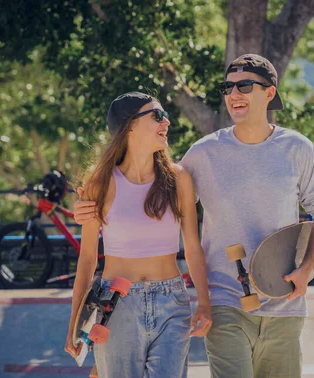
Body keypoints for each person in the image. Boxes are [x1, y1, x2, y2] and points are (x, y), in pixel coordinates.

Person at [73, 54, 314, 378]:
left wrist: (305, 269)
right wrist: (88, 208)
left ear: (269, 93)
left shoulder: (297, 148)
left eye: (244, 85)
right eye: (227, 87)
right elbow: (148, 194)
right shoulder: (203, 153)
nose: (233, 94)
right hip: (223, 302)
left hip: (283, 303)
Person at [64, 91, 212, 378]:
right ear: (129, 126)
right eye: (157, 115)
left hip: (172, 302)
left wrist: (204, 303)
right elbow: (87, 259)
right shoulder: (100, 182)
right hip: (115, 304)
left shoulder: (179, 178)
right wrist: (75, 322)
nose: (166, 121)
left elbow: (193, 248)